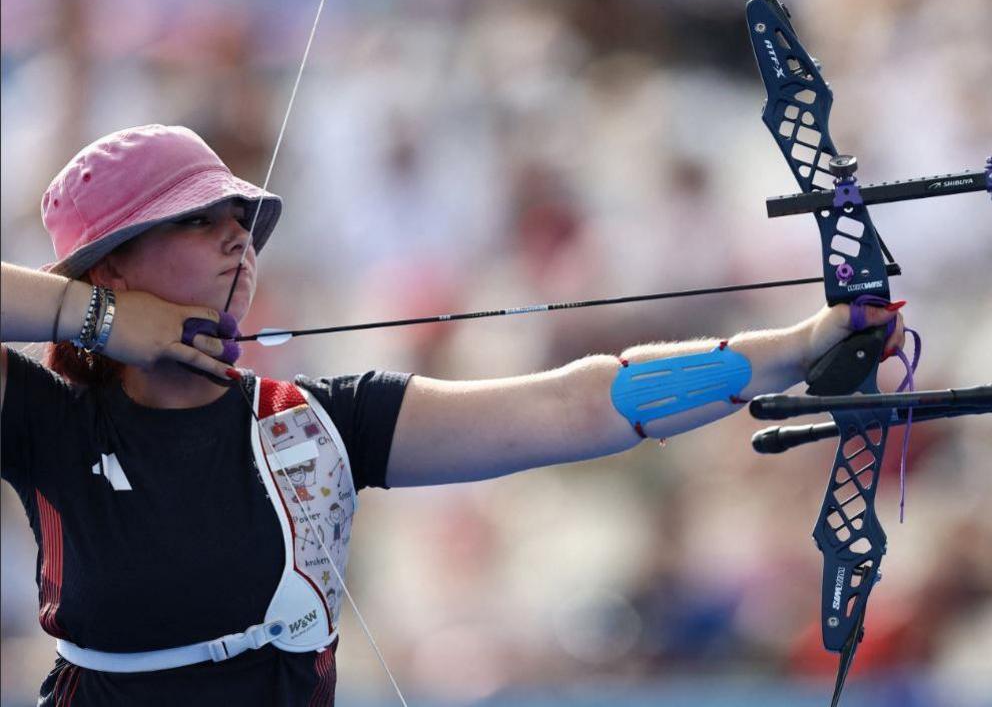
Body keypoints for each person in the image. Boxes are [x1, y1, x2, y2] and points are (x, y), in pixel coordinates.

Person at [0, 124, 907, 706]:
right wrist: (102, 323)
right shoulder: (50, 420)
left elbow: (574, 404)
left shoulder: (315, 422)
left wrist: (794, 345)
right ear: (109, 267)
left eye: (240, 214)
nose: (238, 233)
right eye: (198, 221)